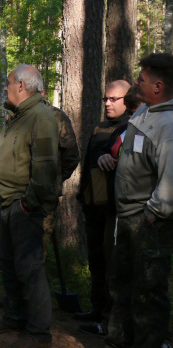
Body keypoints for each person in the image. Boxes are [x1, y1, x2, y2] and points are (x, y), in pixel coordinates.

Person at [0, 64, 58, 347]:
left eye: (8, 82)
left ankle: (38, 331)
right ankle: (14, 318)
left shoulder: (40, 116)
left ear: (22, 86)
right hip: (9, 205)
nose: (5, 87)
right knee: (9, 263)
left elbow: (46, 166)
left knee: (29, 268)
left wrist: (28, 203)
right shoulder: (18, 116)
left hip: (23, 206)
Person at [106, 53, 173, 348]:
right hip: (128, 218)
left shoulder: (169, 125)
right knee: (123, 286)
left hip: (148, 223)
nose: (137, 81)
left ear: (158, 87)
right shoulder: (142, 113)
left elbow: (169, 182)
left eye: (142, 79)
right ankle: (120, 341)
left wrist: (150, 215)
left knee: (148, 293)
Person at [74, 80, 131, 336]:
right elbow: (89, 164)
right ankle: (97, 310)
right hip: (93, 205)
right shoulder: (100, 127)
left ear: (127, 100)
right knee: (96, 262)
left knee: (111, 265)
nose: (107, 103)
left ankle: (108, 320)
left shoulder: (131, 128)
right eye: (105, 99)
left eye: (114, 99)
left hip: (114, 209)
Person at [40, 95, 80, 260]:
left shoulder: (56, 117)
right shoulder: (16, 116)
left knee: (36, 253)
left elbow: (71, 156)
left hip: (44, 196)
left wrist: (54, 179)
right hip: (15, 196)